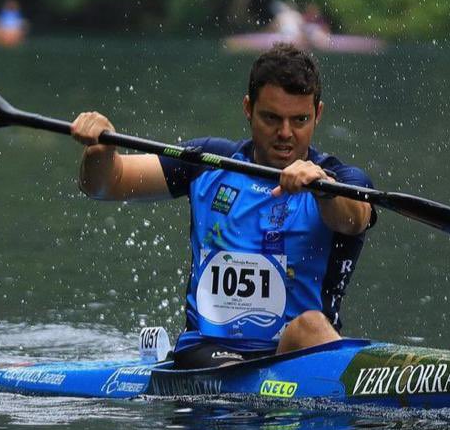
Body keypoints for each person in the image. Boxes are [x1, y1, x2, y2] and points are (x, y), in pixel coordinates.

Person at [71, 43, 375, 369]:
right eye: (271, 118)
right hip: (209, 354)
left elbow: (354, 219)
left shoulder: (342, 180)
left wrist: (323, 189)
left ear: (318, 114)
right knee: (237, 370)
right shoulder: (208, 162)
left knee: (310, 324)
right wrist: (101, 151)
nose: (285, 134)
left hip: (301, 357)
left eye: (299, 120)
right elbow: (108, 184)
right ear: (248, 109)